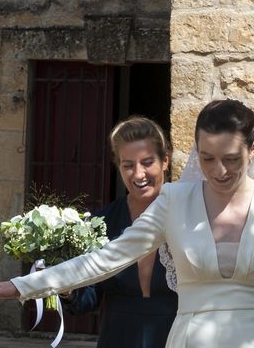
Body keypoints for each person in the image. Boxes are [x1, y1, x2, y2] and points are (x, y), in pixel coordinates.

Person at [0, 99, 254, 348]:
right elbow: (105, 260)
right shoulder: (174, 201)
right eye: (207, 158)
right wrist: (19, 286)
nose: (219, 171)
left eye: (231, 158)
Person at [60, 116, 177, 347]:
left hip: (175, 334)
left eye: (147, 162)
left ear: (165, 161)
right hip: (117, 335)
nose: (138, 174)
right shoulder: (102, 222)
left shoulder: (187, 217)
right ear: (119, 166)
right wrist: (67, 288)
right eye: (128, 165)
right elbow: (87, 299)